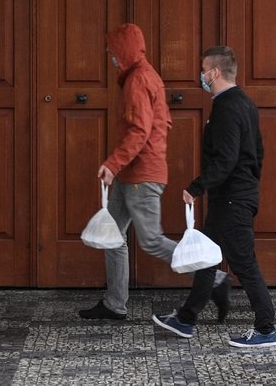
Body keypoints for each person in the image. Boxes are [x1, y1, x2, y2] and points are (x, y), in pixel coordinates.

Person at [79, 24, 229, 321]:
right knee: (114, 237)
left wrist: (112, 163)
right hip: (131, 173)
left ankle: (213, 279)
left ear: (124, 50)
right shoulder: (146, 77)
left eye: (112, 51)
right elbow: (164, 123)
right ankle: (114, 303)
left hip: (142, 176)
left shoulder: (138, 80)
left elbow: (139, 130)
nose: (110, 56)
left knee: (150, 240)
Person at [152, 46, 276, 349]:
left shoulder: (226, 107)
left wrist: (196, 187)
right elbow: (257, 153)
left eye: (203, 70)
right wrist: (247, 184)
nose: (202, 76)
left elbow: (226, 158)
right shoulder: (245, 103)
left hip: (233, 199)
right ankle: (186, 318)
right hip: (236, 196)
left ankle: (266, 328)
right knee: (207, 259)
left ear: (214, 72)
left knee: (245, 265)